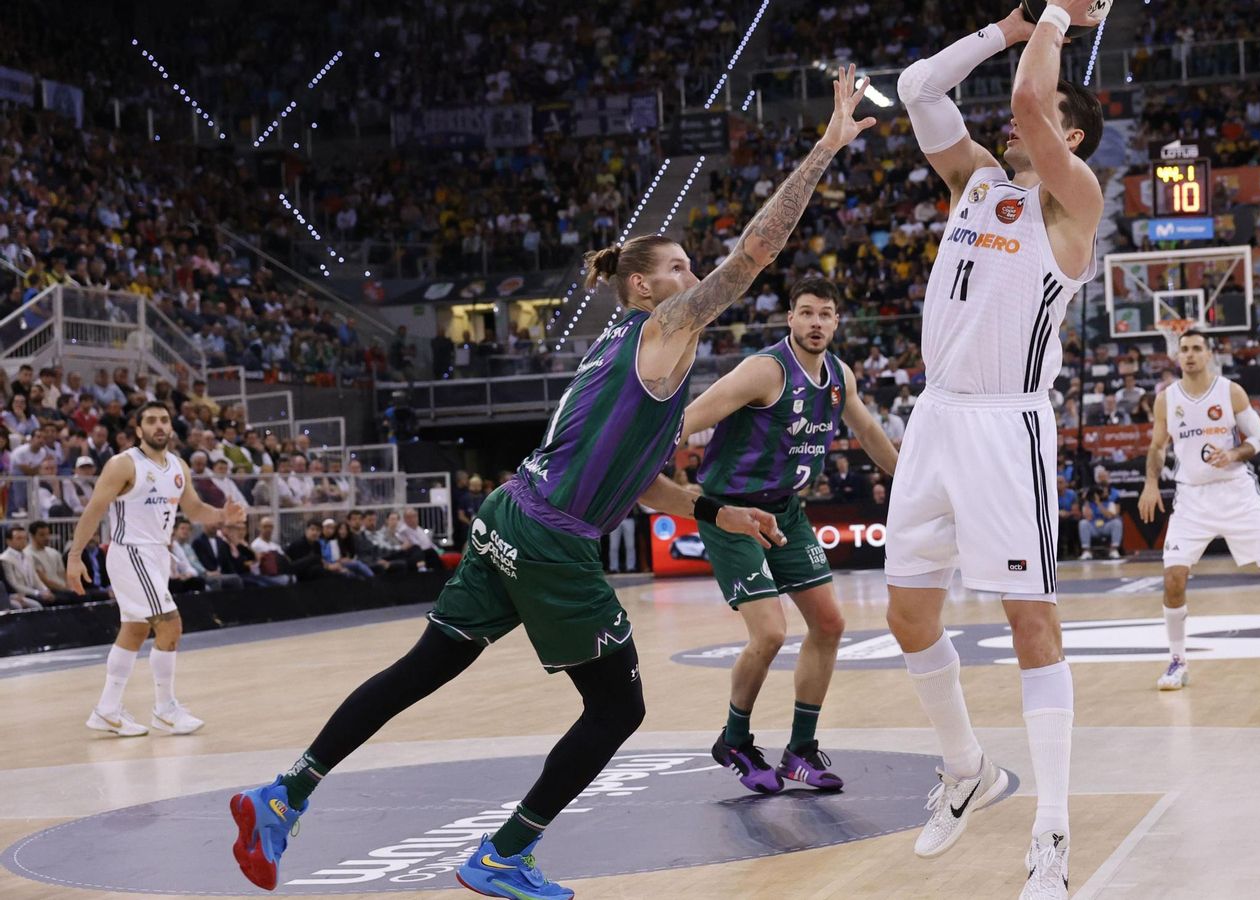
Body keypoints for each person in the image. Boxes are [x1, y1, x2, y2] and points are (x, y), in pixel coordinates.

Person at [227, 66, 869, 899]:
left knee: (423, 667)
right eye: (679, 265)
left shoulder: (617, 353)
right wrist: (823, 148)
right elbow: (756, 252)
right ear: (645, 285)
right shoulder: (662, 328)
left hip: (505, 516)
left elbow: (643, 489)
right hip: (551, 541)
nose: (692, 274)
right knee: (617, 711)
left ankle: (287, 793)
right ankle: (502, 854)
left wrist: (719, 509)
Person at [889, 7, 1103, 893]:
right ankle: (965, 765)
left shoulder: (1077, 204)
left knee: (1031, 624)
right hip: (935, 418)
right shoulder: (975, 183)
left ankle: (1051, 834)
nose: (1021, 131)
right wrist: (1011, 23)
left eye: (1046, 122)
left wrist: (1058, 17)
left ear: (1071, 133)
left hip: (1007, 427)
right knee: (908, 617)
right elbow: (917, 88)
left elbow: (1025, 104)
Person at [683, 277, 899, 793]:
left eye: (826, 314)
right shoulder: (764, 369)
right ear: (790, 318)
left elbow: (868, 432)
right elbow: (689, 419)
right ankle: (734, 739)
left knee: (829, 623)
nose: (817, 323)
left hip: (787, 512)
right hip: (732, 513)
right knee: (771, 634)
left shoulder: (838, 376)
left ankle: (800, 751)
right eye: (807, 313)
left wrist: (909, 482)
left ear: (837, 321)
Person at [1138, 330, 1260, 692]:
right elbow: (1156, 445)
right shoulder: (1166, 399)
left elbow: (1258, 438)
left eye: (1197, 348)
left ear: (1209, 354)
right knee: (1173, 579)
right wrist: (1150, 484)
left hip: (1236, 494)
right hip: (1192, 498)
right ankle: (1178, 661)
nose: (1190, 355)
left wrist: (1232, 454)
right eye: (1184, 350)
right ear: (1177, 356)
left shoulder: (1230, 391)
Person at [66, 401, 247, 737]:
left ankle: (107, 709)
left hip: (156, 555)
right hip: (131, 552)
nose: (159, 426)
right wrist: (75, 556)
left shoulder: (178, 466)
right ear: (138, 430)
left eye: (164, 419)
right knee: (170, 626)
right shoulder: (124, 464)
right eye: (151, 421)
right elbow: (93, 510)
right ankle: (165, 708)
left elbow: (193, 509)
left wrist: (223, 516)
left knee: (135, 630)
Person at [1076, 486, 1122, 558]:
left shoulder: (1110, 503)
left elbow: (1109, 516)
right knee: (1083, 523)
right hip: (1093, 528)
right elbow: (1087, 517)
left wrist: (1098, 503)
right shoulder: (1088, 504)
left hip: (1106, 527)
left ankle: (1113, 550)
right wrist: (1086, 500)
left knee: (1117, 522)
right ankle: (1086, 551)